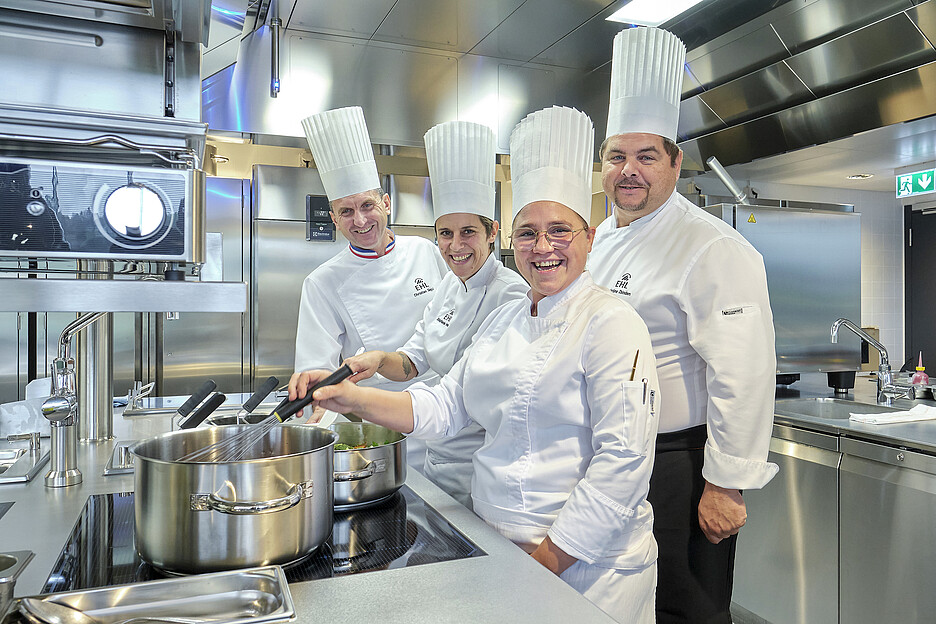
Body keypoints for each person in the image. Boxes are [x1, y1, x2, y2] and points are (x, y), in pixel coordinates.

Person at [291, 106, 661, 623]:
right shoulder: (508, 317)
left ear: (590, 237)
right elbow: (443, 405)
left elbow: (621, 467)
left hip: (585, 568)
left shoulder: (613, 323)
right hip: (498, 546)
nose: (543, 247)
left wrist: (545, 562)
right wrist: (349, 396)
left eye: (560, 230)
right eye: (528, 233)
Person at [586, 27, 779, 623]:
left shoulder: (711, 246)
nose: (629, 171)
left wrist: (725, 484)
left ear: (674, 161)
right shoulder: (602, 239)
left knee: (685, 607)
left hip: (680, 463)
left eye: (647, 156)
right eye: (618, 156)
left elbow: (743, 373)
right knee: (625, 600)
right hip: (614, 454)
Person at [343, 120, 528, 508]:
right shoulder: (448, 285)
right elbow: (413, 361)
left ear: (492, 232)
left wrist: (362, 402)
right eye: (445, 233)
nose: (455, 245)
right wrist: (377, 360)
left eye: (468, 232)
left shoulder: (510, 295)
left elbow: (471, 394)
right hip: (437, 458)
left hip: (482, 467)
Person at [297, 107, 447, 464]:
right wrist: (316, 411)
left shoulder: (426, 251)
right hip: (381, 428)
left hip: (447, 413)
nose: (360, 220)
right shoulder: (322, 282)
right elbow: (315, 371)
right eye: (346, 212)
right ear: (333, 219)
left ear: (386, 203)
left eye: (367, 205)